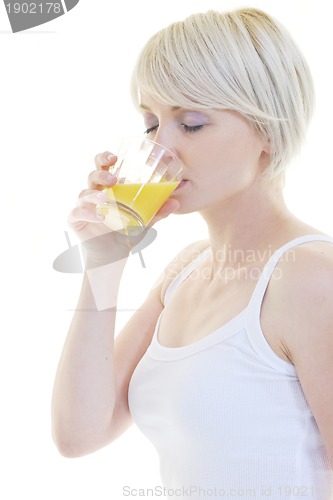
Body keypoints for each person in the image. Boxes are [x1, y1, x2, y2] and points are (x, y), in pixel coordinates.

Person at [51, 7, 333, 499]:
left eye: (193, 123)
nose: (161, 147)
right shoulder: (184, 272)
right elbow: (79, 435)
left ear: (269, 129)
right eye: (150, 123)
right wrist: (105, 259)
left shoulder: (310, 280)